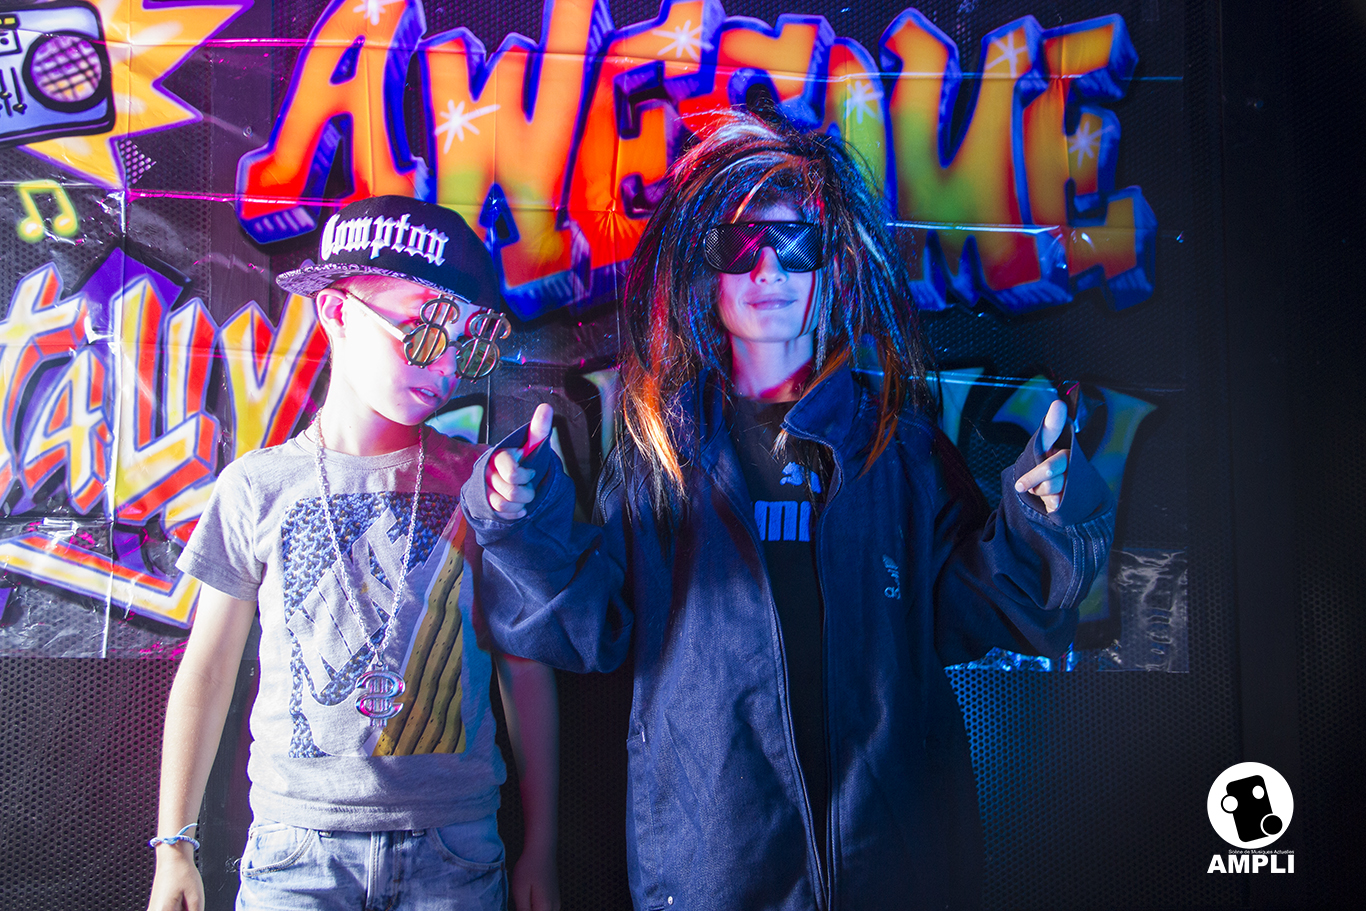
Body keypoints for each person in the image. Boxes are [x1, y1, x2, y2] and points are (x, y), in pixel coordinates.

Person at [464, 114, 1115, 910]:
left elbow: (980, 609)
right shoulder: (660, 456)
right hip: (715, 872)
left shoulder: (899, 449)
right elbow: (591, 627)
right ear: (706, 274)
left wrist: (1045, 513)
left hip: (891, 870)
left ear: (832, 267)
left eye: (795, 242)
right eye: (740, 245)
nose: (768, 266)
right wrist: (519, 520)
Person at [147, 196, 560, 911]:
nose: (447, 364)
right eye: (424, 331)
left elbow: (523, 668)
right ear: (337, 311)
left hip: (453, 848)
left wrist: (544, 846)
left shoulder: (480, 484)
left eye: (465, 342)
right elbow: (208, 671)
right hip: (296, 852)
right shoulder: (257, 486)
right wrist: (173, 847)